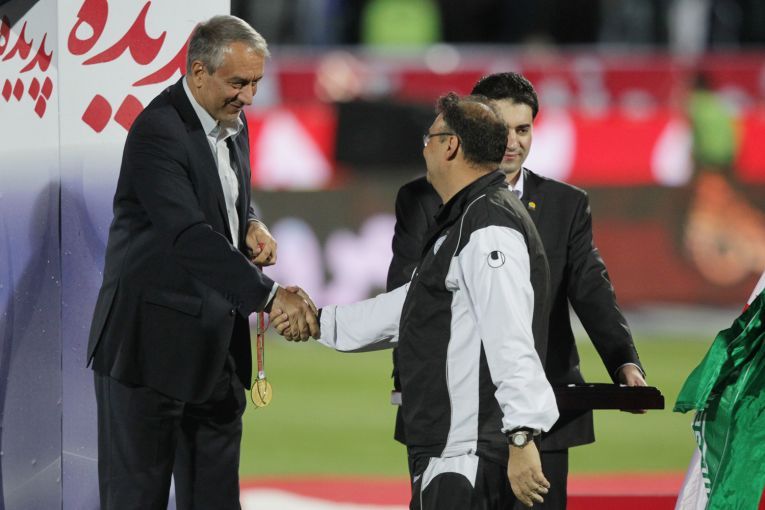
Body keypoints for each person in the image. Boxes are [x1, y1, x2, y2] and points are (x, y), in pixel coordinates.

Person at [275, 92, 559, 509]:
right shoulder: (467, 219)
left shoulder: (488, 227)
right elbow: (413, 307)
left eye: (430, 138)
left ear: (451, 146)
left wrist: (520, 434)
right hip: (452, 448)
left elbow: (510, 336)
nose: (424, 148)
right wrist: (320, 321)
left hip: (467, 452)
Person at [86, 15, 318, 510]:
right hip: (148, 353)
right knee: (136, 500)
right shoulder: (158, 131)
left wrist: (250, 223)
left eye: (255, 82)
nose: (249, 96)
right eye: (238, 83)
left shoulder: (234, 124)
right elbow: (188, 236)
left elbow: (222, 202)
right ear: (197, 72)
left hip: (215, 353)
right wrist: (270, 295)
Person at [386, 72, 647, 509]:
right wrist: (408, 374)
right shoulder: (423, 199)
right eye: (502, 129)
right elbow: (405, 294)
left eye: (523, 129)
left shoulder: (566, 204)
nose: (512, 142)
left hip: (544, 413)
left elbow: (591, 288)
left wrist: (623, 362)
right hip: (450, 414)